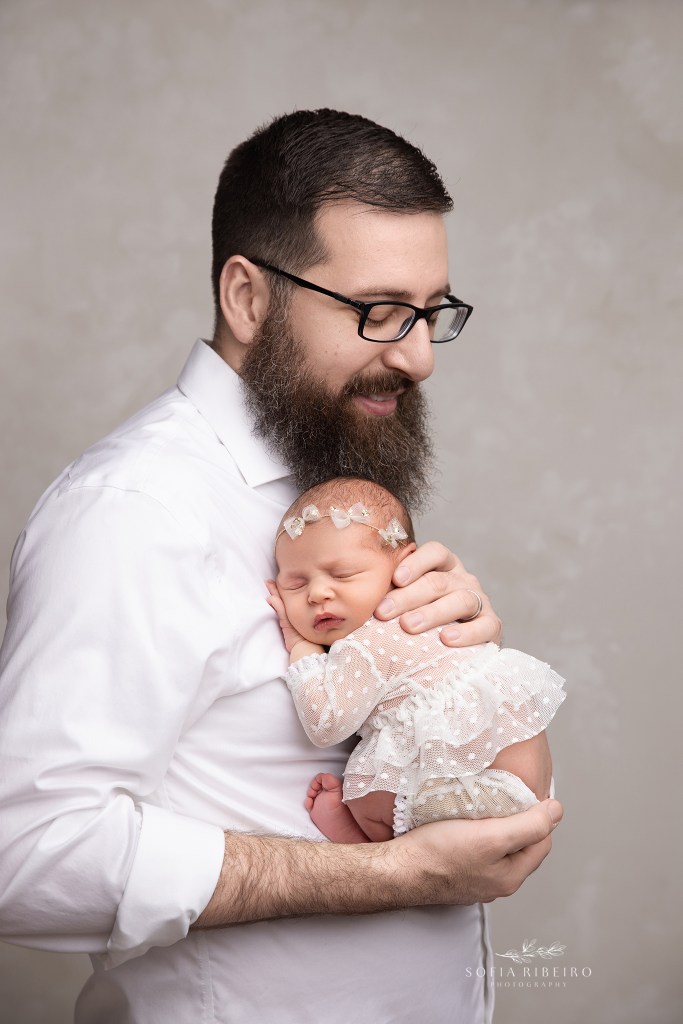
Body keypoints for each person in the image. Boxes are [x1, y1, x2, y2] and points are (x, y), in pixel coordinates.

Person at [0, 109, 562, 1024]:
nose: (417, 355)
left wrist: (456, 680)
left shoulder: (327, 473)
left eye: (431, 313)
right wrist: (384, 874)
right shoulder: (133, 511)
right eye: (379, 312)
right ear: (247, 298)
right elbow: (22, 852)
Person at [267, 477, 565, 845]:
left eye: (343, 574)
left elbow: (327, 724)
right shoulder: (434, 612)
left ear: (404, 568)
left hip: (480, 784)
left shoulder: (370, 640)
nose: (318, 593)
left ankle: (362, 846)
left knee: (367, 793)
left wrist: (301, 648)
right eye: (295, 585)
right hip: (525, 769)